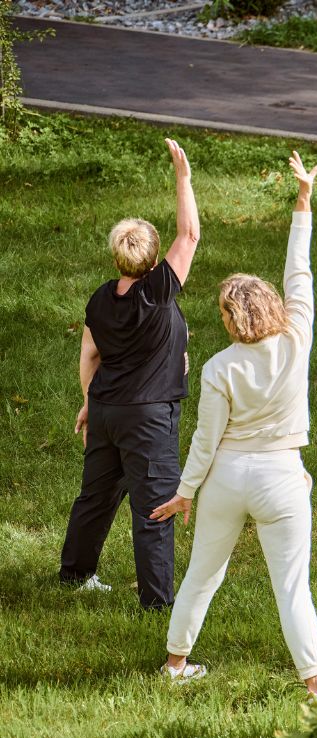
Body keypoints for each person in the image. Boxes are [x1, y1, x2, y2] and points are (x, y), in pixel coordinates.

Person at [149, 152, 317, 702]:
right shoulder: (297, 338)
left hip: (228, 479)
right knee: (292, 588)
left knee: (202, 575)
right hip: (282, 478)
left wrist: (186, 492)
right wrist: (302, 200)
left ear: (231, 320)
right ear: (275, 306)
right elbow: (299, 271)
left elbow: (206, 440)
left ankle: (175, 664)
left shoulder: (218, 367)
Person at [58, 139, 199, 608]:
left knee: (95, 495)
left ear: (117, 259)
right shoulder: (156, 292)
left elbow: (89, 354)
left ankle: (75, 574)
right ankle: (157, 603)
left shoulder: (101, 298)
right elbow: (189, 236)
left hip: (105, 410)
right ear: (154, 262)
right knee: (154, 505)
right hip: (148, 418)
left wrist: (88, 402)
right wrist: (183, 178)